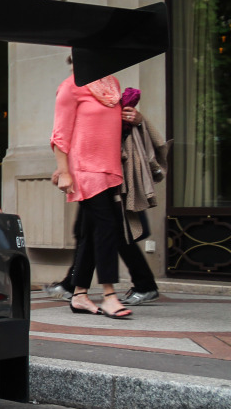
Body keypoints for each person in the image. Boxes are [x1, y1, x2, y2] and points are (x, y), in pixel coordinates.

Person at [45, 94, 169, 305]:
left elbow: (119, 134)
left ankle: (135, 286)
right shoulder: (81, 97)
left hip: (109, 178)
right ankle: (74, 286)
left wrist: (138, 121)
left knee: (111, 231)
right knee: (92, 231)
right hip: (89, 176)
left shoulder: (109, 99)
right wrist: (63, 167)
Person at [49, 61, 132, 319]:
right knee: (108, 227)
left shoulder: (113, 86)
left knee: (90, 231)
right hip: (86, 170)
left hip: (110, 168)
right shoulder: (70, 87)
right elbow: (60, 135)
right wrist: (64, 172)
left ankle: (79, 295)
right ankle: (109, 295)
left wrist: (134, 118)